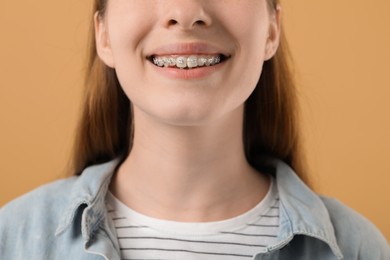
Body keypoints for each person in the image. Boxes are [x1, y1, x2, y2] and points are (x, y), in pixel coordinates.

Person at [0, 0, 389, 259]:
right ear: (103, 35)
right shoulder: (13, 238)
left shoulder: (358, 248)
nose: (186, 12)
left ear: (272, 28)